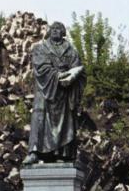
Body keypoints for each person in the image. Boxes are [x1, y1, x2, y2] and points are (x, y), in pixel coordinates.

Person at [22, 21, 85, 164]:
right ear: (49, 31)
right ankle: (35, 152)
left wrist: (72, 76)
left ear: (63, 32)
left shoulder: (71, 50)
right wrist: (58, 75)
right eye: (53, 28)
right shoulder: (41, 48)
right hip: (45, 90)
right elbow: (40, 67)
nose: (56, 30)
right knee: (40, 118)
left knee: (64, 123)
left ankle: (61, 154)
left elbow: (78, 69)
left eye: (59, 28)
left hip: (63, 92)